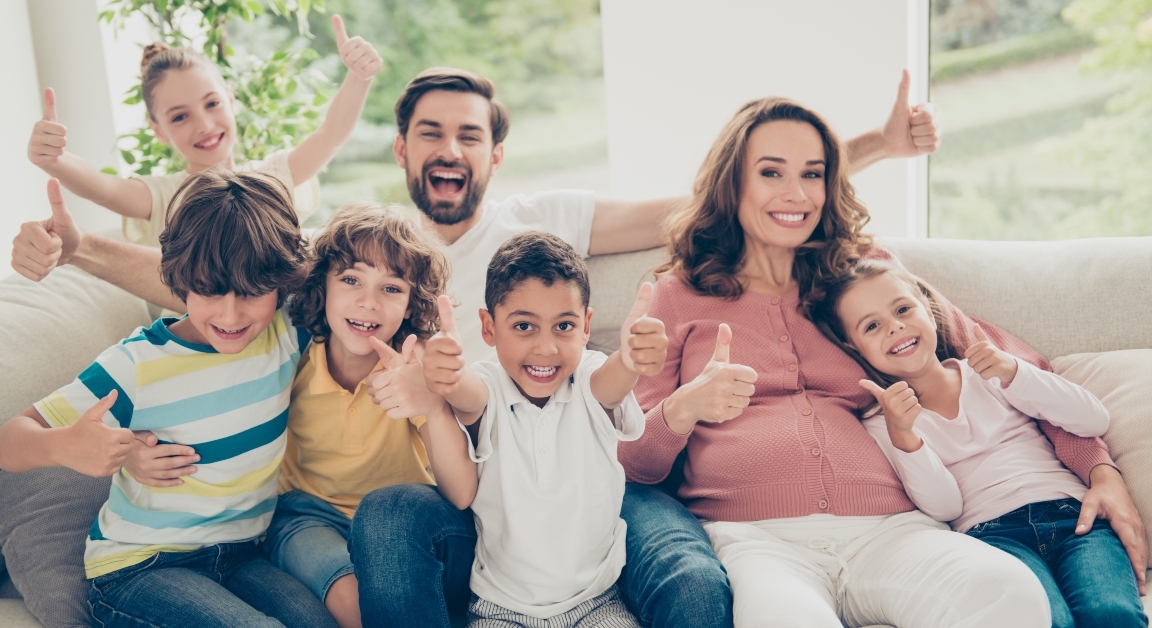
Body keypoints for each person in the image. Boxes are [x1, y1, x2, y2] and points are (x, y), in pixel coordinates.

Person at [7, 66, 948, 627]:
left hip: (558, 466)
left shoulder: (546, 222)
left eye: (469, 135)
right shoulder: (353, 254)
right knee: (384, 517)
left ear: (497, 154)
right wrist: (79, 248)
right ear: (404, 156)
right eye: (428, 135)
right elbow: (220, 287)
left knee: (688, 583)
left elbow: (713, 203)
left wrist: (867, 147)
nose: (449, 149)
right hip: (431, 489)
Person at [617, 96, 1146, 628]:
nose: (796, 194)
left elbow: (1011, 367)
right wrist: (684, 408)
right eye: (770, 172)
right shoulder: (675, 296)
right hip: (757, 538)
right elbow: (636, 464)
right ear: (733, 183)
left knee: (1009, 594)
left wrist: (1102, 470)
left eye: (813, 174)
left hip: (892, 528)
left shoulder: (865, 273)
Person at [0, 171, 336, 628]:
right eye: (209, 290)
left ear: (280, 284)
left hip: (241, 555)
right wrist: (67, 445)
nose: (231, 314)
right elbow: (3, 444)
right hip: (140, 571)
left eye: (252, 292)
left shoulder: (284, 332)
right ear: (179, 279)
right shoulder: (137, 365)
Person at [808, 259, 1146, 628]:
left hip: (1075, 516)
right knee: (1048, 620)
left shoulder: (989, 371)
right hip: (992, 537)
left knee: (1113, 614)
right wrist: (906, 437)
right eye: (872, 326)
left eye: (903, 309)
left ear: (928, 309)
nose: (895, 327)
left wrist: (1016, 373)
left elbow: (1092, 419)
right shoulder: (883, 422)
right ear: (852, 346)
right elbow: (944, 506)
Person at [420, 232, 667, 627]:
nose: (546, 348)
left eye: (564, 326)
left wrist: (630, 360)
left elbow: (611, 382)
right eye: (523, 327)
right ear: (488, 327)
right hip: (500, 609)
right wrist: (447, 376)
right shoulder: (487, 385)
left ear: (586, 326)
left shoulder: (590, 374)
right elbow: (468, 395)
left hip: (596, 602)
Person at [260, 204, 475, 628]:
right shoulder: (294, 354)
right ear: (322, 283)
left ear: (413, 303)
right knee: (353, 604)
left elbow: (462, 493)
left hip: (402, 524)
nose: (368, 302)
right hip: (309, 514)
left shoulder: (415, 367)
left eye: (391, 288)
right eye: (351, 279)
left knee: (388, 537)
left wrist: (431, 402)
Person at [21, 15, 381, 250]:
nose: (204, 126)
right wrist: (56, 160)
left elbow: (330, 134)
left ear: (231, 100)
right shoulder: (165, 196)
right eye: (180, 117)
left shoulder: (272, 177)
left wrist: (358, 77)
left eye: (212, 104)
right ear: (158, 131)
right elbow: (104, 187)